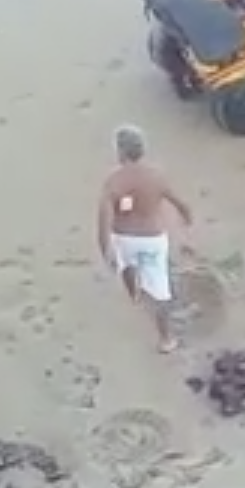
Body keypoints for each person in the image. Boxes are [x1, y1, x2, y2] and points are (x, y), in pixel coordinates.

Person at [96, 125, 194, 354]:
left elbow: (103, 219)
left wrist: (105, 249)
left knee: (126, 266)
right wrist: (187, 219)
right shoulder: (156, 176)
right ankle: (166, 338)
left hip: (123, 237)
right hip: (152, 239)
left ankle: (135, 294)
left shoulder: (113, 182)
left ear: (121, 151)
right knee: (160, 290)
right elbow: (179, 202)